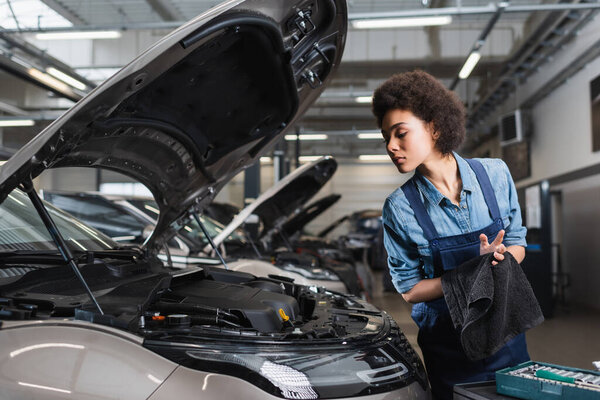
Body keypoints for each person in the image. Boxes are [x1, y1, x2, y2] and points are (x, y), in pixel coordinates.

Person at [372, 70, 530, 399]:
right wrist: (473, 271)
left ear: (435, 126)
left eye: (401, 133)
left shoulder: (496, 174)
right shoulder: (400, 208)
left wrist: (497, 262)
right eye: (386, 136)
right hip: (449, 346)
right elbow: (410, 290)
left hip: (505, 332)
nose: (391, 146)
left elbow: (517, 242)